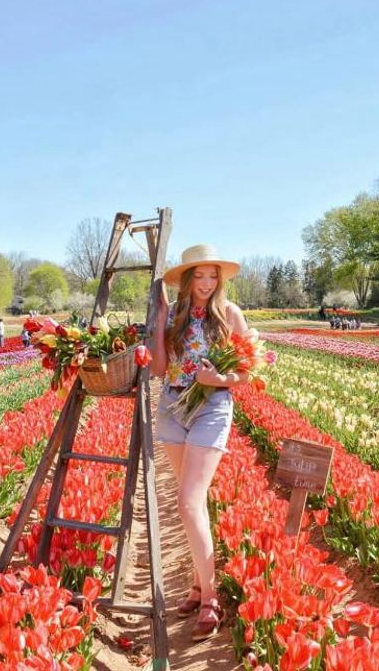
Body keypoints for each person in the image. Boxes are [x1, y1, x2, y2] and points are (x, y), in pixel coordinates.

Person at [149, 244, 251, 642]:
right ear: (188, 279)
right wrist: (160, 321)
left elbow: (247, 373)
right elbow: (160, 368)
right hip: (173, 407)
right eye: (200, 276)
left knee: (189, 501)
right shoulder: (175, 315)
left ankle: (210, 598)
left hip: (211, 407)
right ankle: (196, 585)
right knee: (193, 501)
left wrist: (218, 380)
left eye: (213, 276)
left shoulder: (230, 314)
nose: (207, 284)